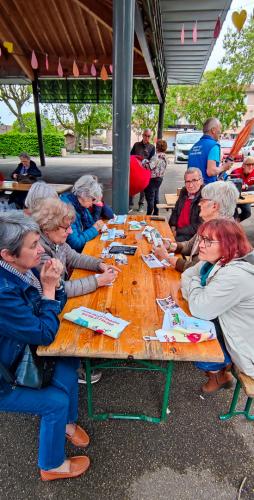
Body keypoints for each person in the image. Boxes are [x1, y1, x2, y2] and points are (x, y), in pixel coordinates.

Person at [0, 211, 90, 480]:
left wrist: (56, 287)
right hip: (5, 375)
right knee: (55, 400)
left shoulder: (21, 272)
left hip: (19, 353)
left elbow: (49, 311)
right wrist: (49, 290)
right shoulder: (4, 291)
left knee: (69, 363)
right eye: (33, 246)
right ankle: (51, 466)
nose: (41, 250)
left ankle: (66, 423)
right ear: (7, 254)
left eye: (39, 242)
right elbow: (43, 332)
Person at [181, 219, 254, 393]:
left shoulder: (236, 274)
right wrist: (196, 289)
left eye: (208, 241)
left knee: (192, 334)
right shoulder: (216, 260)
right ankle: (219, 370)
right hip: (229, 325)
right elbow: (186, 274)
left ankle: (218, 372)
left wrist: (196, 282)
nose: (201, 245)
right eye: (201, 239)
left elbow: (200, 308)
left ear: (228, 244)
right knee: (187, 317)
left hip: (247, 345)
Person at [32, 197, 120, 298]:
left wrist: (100, 264)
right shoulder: (38, 251)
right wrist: (98, 281)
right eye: (66, 228)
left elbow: (74, 258)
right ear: (47, 228)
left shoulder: (55, 240)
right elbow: (60, 289)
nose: (71, 231)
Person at [153, 181, 239, 272]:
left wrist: (167, 257)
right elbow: (190, 246)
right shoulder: (209, 223)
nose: (199, 204)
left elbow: (198, 271)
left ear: (214, 206)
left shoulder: (223, 234)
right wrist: (171, 246)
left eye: (202, 200)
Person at [61, 175, 105, 252]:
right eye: (93, 199)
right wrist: (94, 229)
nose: (93, 203)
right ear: (84, 195)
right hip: (74, 254)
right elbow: (75, 243)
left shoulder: (81, 206)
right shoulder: (67, 209)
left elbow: (91, 224)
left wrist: (96, 227)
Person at [188, 118, 231, 184]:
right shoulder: (213, 145)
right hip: (207, 189)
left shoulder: (194, 146)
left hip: (192, 188)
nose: (220, 132)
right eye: (220, 129)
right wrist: (224, 167)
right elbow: (211, 171)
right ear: (213, 130)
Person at [169, 168, 203, 241]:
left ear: (201, 181)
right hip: (176, 231)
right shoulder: (184, 191)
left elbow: (200, 226)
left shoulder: (204, 196)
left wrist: (177, 232)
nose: (190, 185)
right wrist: (173, 226)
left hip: (191, 237)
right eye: (187, 181)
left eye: (194, 180)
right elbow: (175, 211)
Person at [129, 128, 155, 212]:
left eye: (149, 136)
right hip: (134, 170)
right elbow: (130, 156)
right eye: (145, 135)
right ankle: (130, 204)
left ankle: (141, 204)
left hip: (144, 172)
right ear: (142, 135)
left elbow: (152, 160)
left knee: (143, 189)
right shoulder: (136, 145)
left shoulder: (152, 147)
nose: (147, 137)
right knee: (132, 186)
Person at [144, 139, 168, 216]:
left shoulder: (156, 156)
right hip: (160, 179)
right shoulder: (165, 157)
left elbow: (150, 167)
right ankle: (156, 213)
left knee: (150, 197)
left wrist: (144, 162)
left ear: (157, 147)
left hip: (152, 179)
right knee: (156, 196)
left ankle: (148, 214)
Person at [230, 156, 254, 222]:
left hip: (245, 198)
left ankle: (235, 224)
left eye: (253, 164)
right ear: (243, 165)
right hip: (234, 198)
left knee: (247, 213)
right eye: (248, 164)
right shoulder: (235, 172)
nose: (251, 167)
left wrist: (246, 187)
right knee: (234, 215)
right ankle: (233, 226)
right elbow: (232, 186)